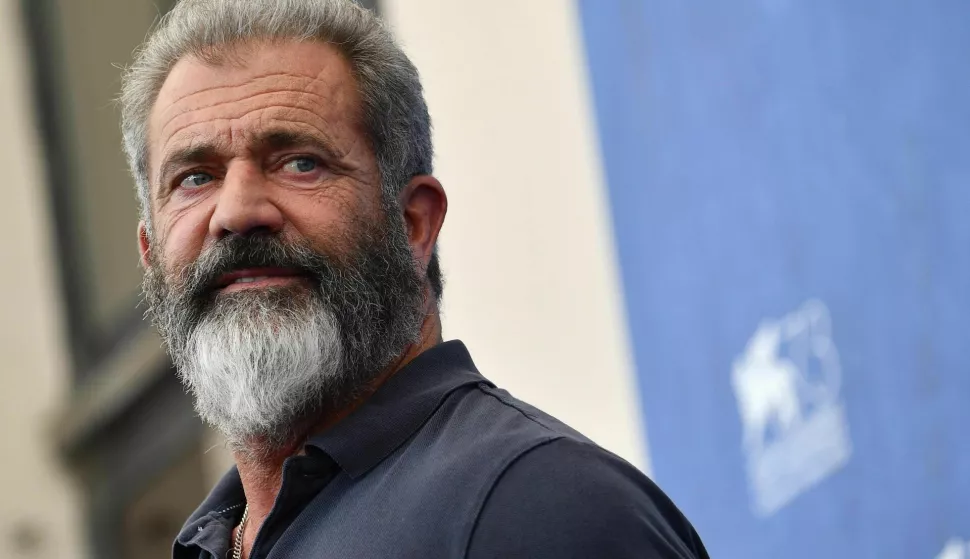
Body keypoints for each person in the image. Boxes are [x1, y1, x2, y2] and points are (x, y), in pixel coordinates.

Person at [121, 0, 710, 557]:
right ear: (150, 253)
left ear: (413, 223)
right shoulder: (218, 539)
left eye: (300, 162)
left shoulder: (543, 503)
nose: (236, 211)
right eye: (195, 178)